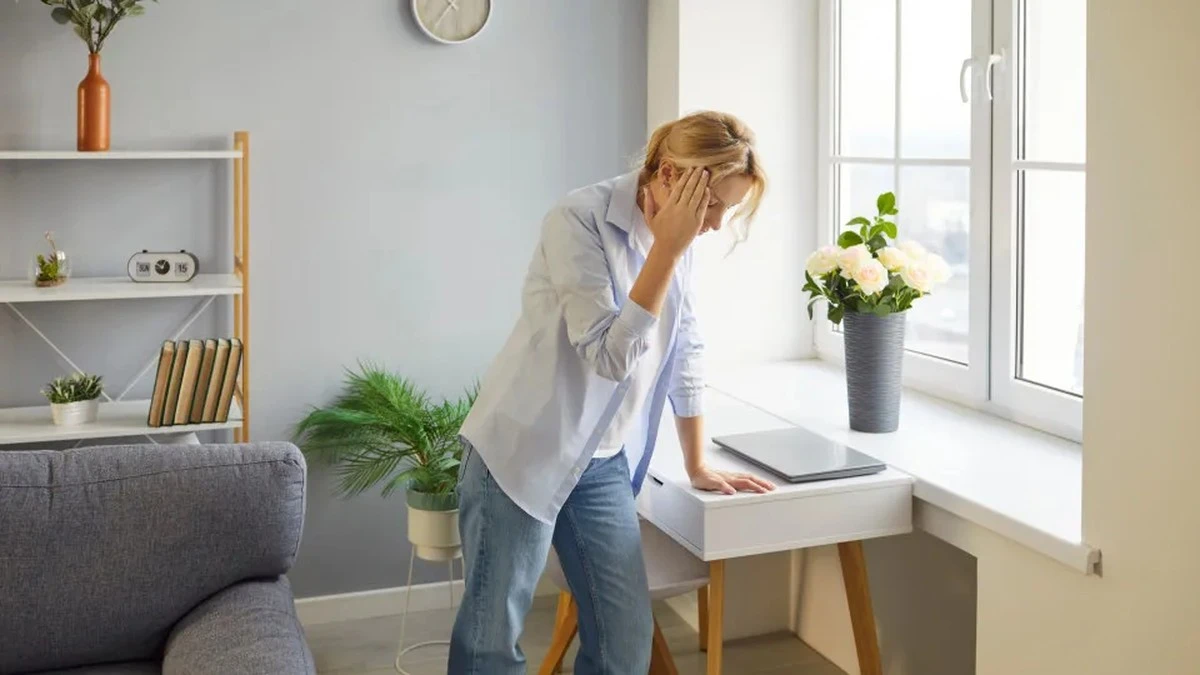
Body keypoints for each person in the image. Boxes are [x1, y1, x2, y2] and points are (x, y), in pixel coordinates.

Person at [448, 111, 775, 674]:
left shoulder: (684, 239)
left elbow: (684, 350)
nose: (717, 224)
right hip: (523, 450)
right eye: (715, 204)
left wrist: (696, 462)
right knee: (491, 644)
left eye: (727, 209)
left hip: (599, 461)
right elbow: (606, 356)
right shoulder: (578, 219)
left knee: (625, 643)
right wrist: (665, 252)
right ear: (672, 175)